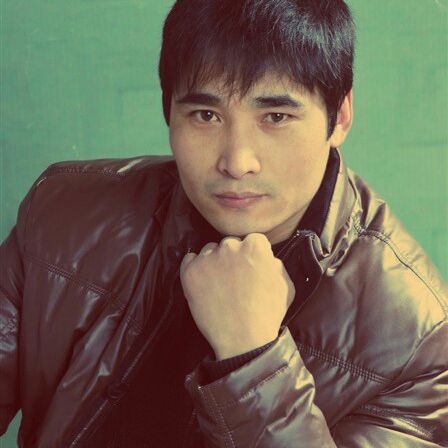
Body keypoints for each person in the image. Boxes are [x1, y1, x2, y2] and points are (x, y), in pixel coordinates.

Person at [1, 0, 447, 446]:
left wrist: (253, 358)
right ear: (168, 111)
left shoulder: (418, 339)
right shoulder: (61, 216)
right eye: (206, 115)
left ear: (340, 116)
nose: (237, 161)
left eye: (276, 117)